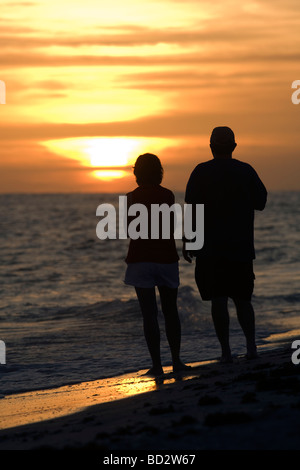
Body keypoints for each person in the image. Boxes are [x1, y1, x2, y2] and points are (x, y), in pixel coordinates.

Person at [183, 127, 267, 363]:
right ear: (234, 147)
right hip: (240, 248)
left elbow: (192, 210)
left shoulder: (200, 171)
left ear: (211, 146)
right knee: (243, 300)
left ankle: (226, 352)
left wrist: (189, 240)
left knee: (218, 300)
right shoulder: (246, 170)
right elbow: (261, 202)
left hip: (210, 250)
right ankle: (251, 348)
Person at [124, 153, 190, 376]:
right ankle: (176, 360)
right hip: (166, 257)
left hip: (141, 259)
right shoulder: (168, 195)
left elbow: (130, 230)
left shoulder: (131, 198)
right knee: (170, 311)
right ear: (159, 172)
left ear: (137, 173)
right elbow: (172, 226)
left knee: (149, 314)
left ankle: (157, 365)